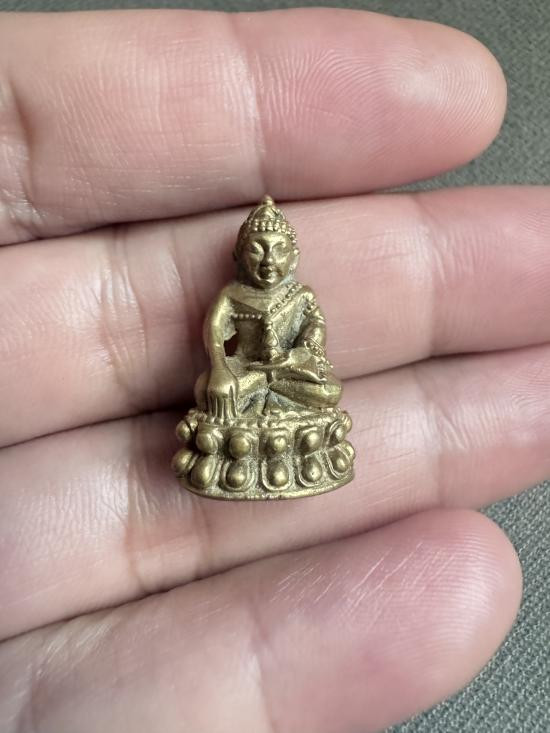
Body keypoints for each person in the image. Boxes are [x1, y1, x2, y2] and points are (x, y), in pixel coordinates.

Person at [0, 6, 543, 732]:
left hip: (286, 381)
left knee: (321, 390)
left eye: (274, 250)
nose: (264, 260)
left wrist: (297, 362)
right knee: (217, 393)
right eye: (255, 251)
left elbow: (314, 349)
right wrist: (228, 372)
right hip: (246, 384)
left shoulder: (300, 296)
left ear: (289, 253)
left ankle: (273, 443)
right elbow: (216, 343)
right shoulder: (231, 297)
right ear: (241, 255)